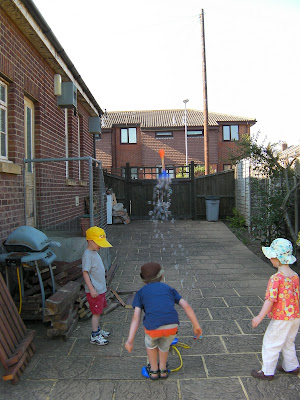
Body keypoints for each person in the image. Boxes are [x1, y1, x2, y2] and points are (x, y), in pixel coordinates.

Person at [125, 262, 202, 379]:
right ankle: (163, 370)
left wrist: (130, 340)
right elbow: (186, 305)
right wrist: (196, 326)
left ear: (144, 281)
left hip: (153, 329)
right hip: (172, 327)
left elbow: (136, 317)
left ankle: (154, 371)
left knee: (151, 346)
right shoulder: (169, 289)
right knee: (164, 346)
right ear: (162, 276)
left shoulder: (141, 293)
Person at [251, 238, 300, 380]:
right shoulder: (295, 276)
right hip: (295, 317)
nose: (270, 259)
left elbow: (270, 300)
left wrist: (259, 317)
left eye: (272, 256)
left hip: (281, 318)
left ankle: (267, 371)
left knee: (271, 342)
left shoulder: (276, 278)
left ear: (278, 258)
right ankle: (291, 366)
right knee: (287, 341)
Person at [82, 226, 112, 345]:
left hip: (100, 289)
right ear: (90, 241)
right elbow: (85, 273)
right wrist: (91, 289)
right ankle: (94, 335)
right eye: (98, 243)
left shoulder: (94, 251)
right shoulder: (88, 255)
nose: (100, 246)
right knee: (96, 313)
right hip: (95, 291)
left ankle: (98, 330)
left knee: (98, 311)